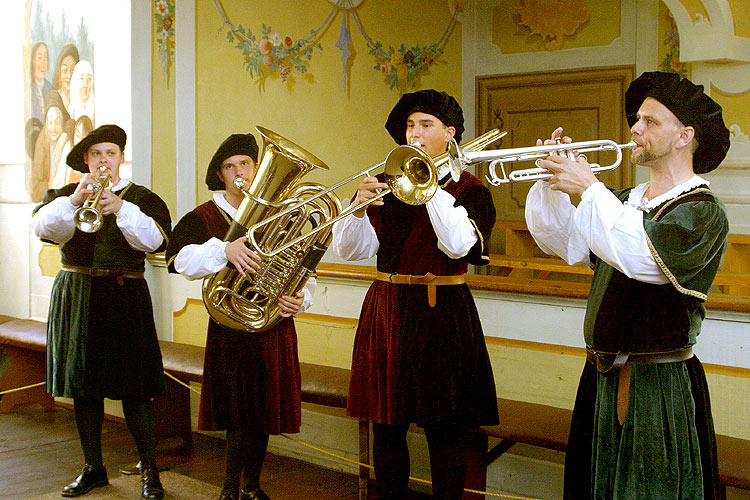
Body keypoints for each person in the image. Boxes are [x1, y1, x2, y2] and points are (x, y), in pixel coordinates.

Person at [525, 71, 731, 500]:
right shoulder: (622, 202)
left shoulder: (702, 211)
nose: (635, 129)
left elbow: (641, 257)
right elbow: (564, 242)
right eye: (637, 119)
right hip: (600, 377)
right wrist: (551, 182)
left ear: (683, 136)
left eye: (651, 121)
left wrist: (590, 188)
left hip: (657, 385)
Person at [331, 89, 498, 500]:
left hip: (443, 312)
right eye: (409, 126)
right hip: (388, 310)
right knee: (388, 428)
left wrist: (430, 186)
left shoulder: (471, 190)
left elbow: (460, 246)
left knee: (445, 433)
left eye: (425, 125)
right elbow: (352, 251)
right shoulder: (387, 190)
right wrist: (355, 208)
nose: (415, 134)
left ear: (450, 133)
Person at [165, 133, 313, 500]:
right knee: (236, 414)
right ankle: (229, 489)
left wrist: (301, 297)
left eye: (245, 164)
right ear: (221, 175)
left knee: (262, 413)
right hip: (229, 327)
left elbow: (304, 269)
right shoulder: (202, 216)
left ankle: (252, 485)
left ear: (257, 168)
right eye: (229, 167)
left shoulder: (279, 213)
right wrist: (223, 250)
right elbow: (179, 262)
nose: (238, 172)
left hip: (273, 325)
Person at [31, 124, 172, 499]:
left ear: (121, 157)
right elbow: (43, 229)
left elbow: (156, 240)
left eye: (110, 153)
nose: (103, 161)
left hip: (124, 295)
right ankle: (93, 467)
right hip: (77, 293)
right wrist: (74, 201)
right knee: (84, 387)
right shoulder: (65, 195)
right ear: (87, 162)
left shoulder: (143, 197)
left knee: (136, 389)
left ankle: (150, 473)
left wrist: (123, 208)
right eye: (96, 155)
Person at [48, 43, 79, 113]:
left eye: (72, 71)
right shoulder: (54, 99)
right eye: (65, 71)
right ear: (59, 73)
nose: (69, 76)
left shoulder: (80, 99)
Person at [30, 41, 53, 122]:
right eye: (39, 58)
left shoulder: (50, 88)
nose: (43, 63)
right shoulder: (28, 88)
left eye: (45, 58)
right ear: (33, 61)